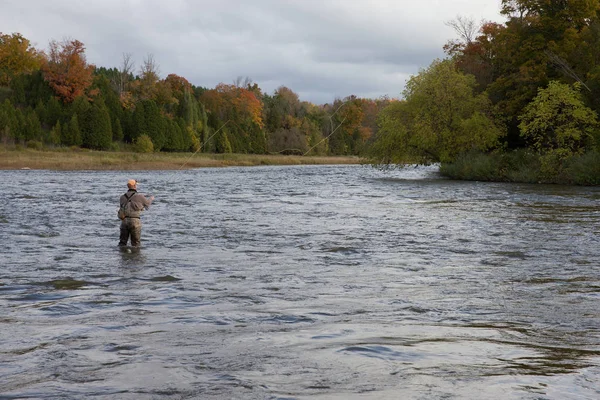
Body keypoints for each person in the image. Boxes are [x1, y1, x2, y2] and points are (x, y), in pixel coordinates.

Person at [119, 179, 154, 247]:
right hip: (135, 221)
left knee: (122, 243)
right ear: (134, 186)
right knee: (136, 244)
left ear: (128, 186)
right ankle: (135, 256)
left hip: (124, 221)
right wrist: (151, 199)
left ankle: (123, 256)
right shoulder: (140, 196)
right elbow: (147, 205)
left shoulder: (122, 197)